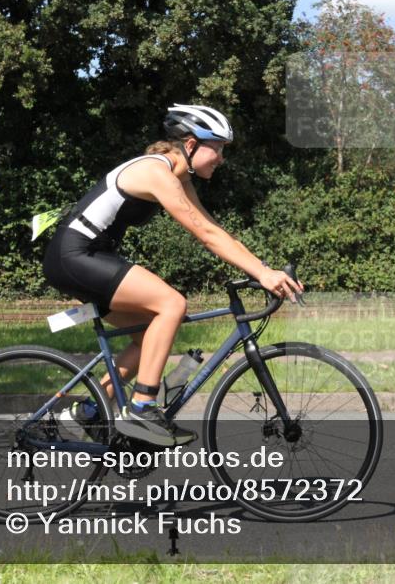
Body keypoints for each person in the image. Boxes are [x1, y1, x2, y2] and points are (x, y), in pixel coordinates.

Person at [41, 104, 304, 447]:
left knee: (149, 333)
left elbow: (213, 230)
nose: (221, 159)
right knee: (171, 304)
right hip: (76, 255)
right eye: (219, 149)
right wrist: (263, 274)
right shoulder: (156, 172)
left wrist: (263, 270)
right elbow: (205, 236)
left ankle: (90, 410)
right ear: (192, 145)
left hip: (86, 256)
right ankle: (142, 409)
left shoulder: (177, 177)